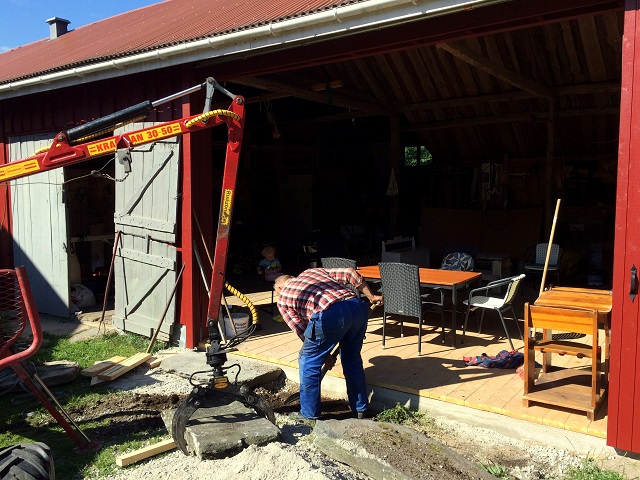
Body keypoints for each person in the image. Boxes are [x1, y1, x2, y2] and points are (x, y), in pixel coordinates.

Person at [274, 267, 383, 422]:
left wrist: (323, 356)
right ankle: (360, 409)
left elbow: (301, 329)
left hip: (330, 314)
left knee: (308, 361)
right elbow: (350, 273)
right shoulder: (311, 272)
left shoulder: (283, 298)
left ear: (280, 287)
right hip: (357, 307)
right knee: (351, 358)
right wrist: (371, 296)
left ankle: (309, 414)